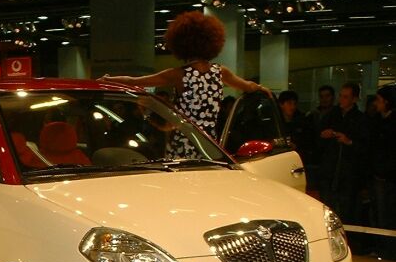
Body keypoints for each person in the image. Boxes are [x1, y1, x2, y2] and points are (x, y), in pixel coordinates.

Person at [99, 11, 271, 157]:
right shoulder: (220, 72)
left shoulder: (178, 74)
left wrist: (108, 80)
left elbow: (135, 82)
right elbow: (248, 86)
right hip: (209, 145)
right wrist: (261, 89)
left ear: (180, 43)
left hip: (182, 144)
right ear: (212, 41)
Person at [318, 82, 368, 225]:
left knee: (346, 210)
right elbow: (318, 136)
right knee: (327, 208)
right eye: (341, 96)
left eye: (346, 97)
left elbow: (365, 147)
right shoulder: (332, 114)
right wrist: (325, 134)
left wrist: (348, 142)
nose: (342, 100)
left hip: (348, 173)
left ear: (354, 99)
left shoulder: (360, 119)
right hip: (330, 169)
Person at [369, 84, 396, 257]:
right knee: (380, 215)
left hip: (389, 178)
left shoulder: (390, 124)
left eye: (379, 100)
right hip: (380, 175)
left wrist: (385, 172)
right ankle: (384, 248)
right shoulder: (379, 121)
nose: (375, 104)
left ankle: (389, 250)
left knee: (388, 215)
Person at [277, 90, 309, 161]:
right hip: (280, 157)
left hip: (298, 157)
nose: (293, 107)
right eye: (289, 103)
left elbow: (307, 142)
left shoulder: (301, 121)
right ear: (281, 104)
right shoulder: (276, 122)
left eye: (294, 104)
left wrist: (296, 146)